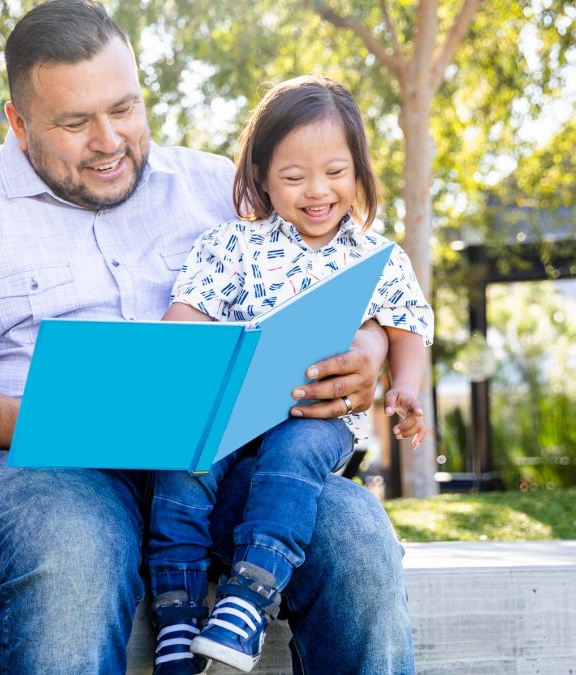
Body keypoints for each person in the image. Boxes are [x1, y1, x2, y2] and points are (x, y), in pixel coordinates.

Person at [0, 1, 415, 673]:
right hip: (26, 466)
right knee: (78, 547)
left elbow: (336, 266)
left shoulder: (221, 187)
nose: (109, 140)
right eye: (75, 123)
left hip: (211, 462)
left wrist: (365, 352)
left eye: (125, 109)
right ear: (18, 124)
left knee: (357, 536)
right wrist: (60, 417)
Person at [148, 75, 433, 673]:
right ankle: (176, 613)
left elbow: (409, 332)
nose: (317, 191)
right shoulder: (230, 246)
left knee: (292, 455)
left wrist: (404, 388)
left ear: (359, 171)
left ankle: (247, 601)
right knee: (183, 461)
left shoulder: (376, 258)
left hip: (314, 417)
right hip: (231, 410)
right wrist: (178, 349)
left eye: (335, 172)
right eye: (293, 177)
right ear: (261, 175)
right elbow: (184, 320)